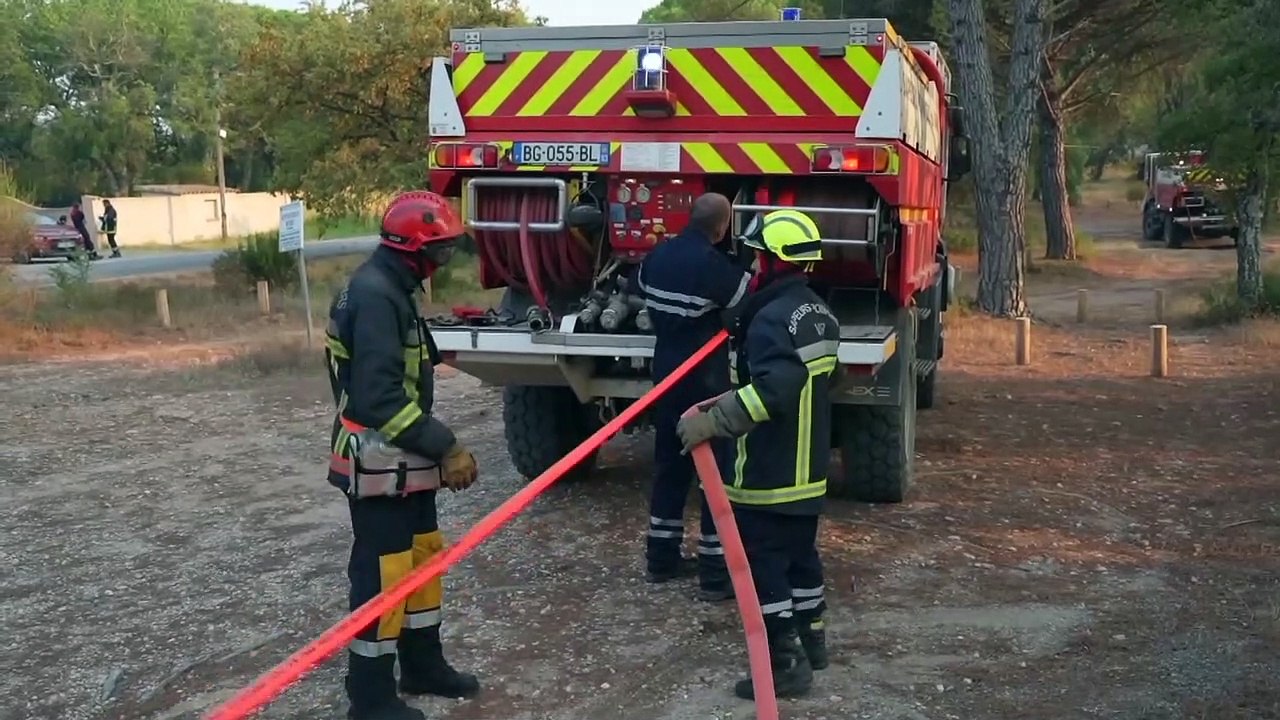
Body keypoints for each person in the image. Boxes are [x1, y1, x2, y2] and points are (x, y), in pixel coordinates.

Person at [324, 191, 482, 720]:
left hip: (403, 457)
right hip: (379, 460)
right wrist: (447, 446)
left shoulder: (391, 287)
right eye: (437, 252)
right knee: (383, 575)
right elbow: (378, 398)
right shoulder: (375, 296)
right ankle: (368, 697)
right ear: (411, 250)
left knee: (422, 561)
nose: (442, 262)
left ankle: (421, 663)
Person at [675, 209, 840, 700]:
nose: (752, 265)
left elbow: (775, 389)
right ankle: (813, 643)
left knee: (763, 568)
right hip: (808, 473)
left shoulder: (769, 318)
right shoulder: (819, 313)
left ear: (774, 260)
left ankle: (784, 663)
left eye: (758, 255)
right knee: (801, 560)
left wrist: (715, 419)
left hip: (768, 472)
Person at [634, 192, 751, 603]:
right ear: (722, 228)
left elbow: (641, 287)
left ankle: (660, 559)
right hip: (704, 383)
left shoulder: (657, 258)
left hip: (665, 375)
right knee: (715, 474)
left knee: (669, 466)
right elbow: (743, 304)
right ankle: (715, 573)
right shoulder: (714, 266)